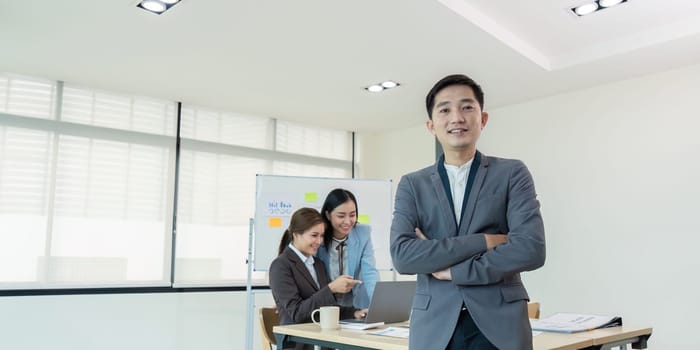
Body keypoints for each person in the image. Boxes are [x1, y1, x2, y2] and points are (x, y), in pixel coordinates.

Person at [389, 74, 546, 350]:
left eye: (467, 107)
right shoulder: (412, 185)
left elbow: (530, 248)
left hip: (500, 326)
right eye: (445, 110)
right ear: (431, 125)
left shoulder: (512, 173)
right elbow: (403, 256)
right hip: (434, 328)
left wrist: (454, 271)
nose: (457, 117)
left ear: (482, 119)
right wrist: (484, 241)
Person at [269, 207, 367, 350]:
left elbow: (326, 309)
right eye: (314, 235)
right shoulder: (280, 266)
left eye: (321, 235)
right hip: (299, 345)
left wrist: (355, 312)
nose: (319, 241)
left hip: (322, 342)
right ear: (296, 234)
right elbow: (297, 313)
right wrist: (331, 288)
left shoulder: (317, 264)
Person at [316, 188, 379, 309]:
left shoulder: (363, 233)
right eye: (341, 216)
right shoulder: (318, 236)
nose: (348, 221)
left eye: (352, 215)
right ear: (328, 215)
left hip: (356, 305)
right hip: (326, 306)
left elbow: (370, 272)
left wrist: (378, 305)